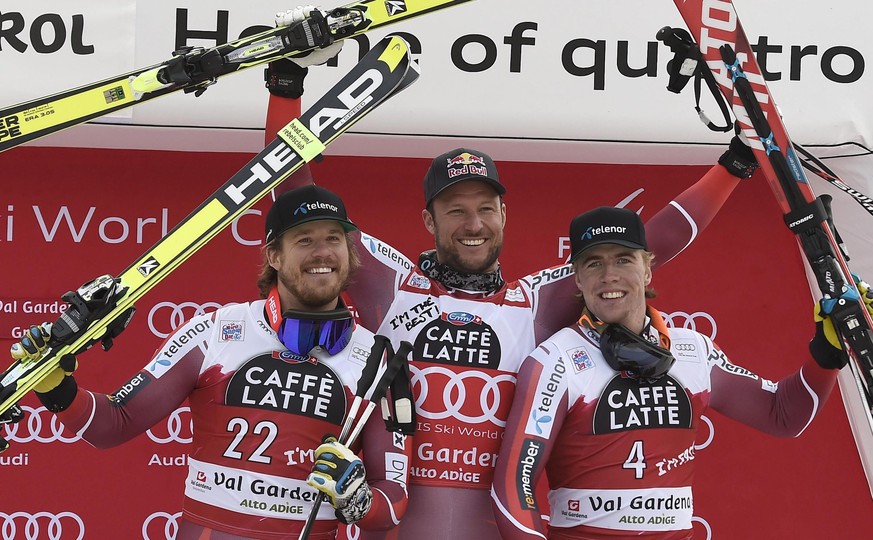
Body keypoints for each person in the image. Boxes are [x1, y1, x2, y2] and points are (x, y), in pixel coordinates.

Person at [13, 185, 410, 540]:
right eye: (304, 240)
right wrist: (56, 387)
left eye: (334, 238)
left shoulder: (377, 359)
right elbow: (111, 425)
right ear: (273, 254)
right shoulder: (216, 331)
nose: (322, 252)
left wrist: (358, 500)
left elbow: (392, 504)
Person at [490, 206, 867, 539]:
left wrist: (827, 351)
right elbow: (513, 485)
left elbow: (783, 414)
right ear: (577, 278)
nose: (609, 275)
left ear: (647, 268)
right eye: (594, 263)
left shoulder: (692, 350)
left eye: (624, 259)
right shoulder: (556, 360)